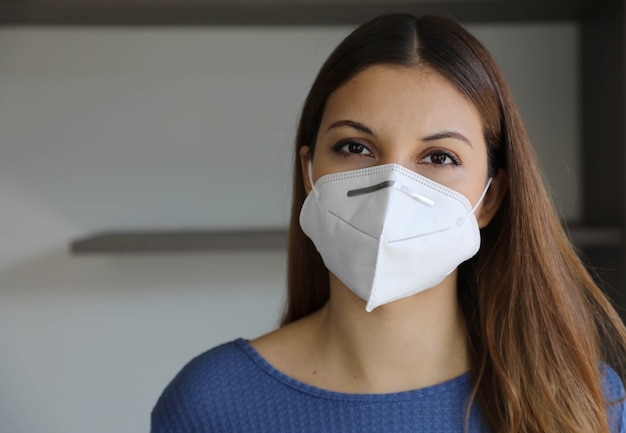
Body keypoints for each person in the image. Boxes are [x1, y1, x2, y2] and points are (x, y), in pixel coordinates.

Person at [151, 13, 626, 433]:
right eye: (355, 147)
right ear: (309, 172)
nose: (393, 188)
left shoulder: (584, 401)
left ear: (490, 197)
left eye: (439, 156)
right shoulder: (211, 404)